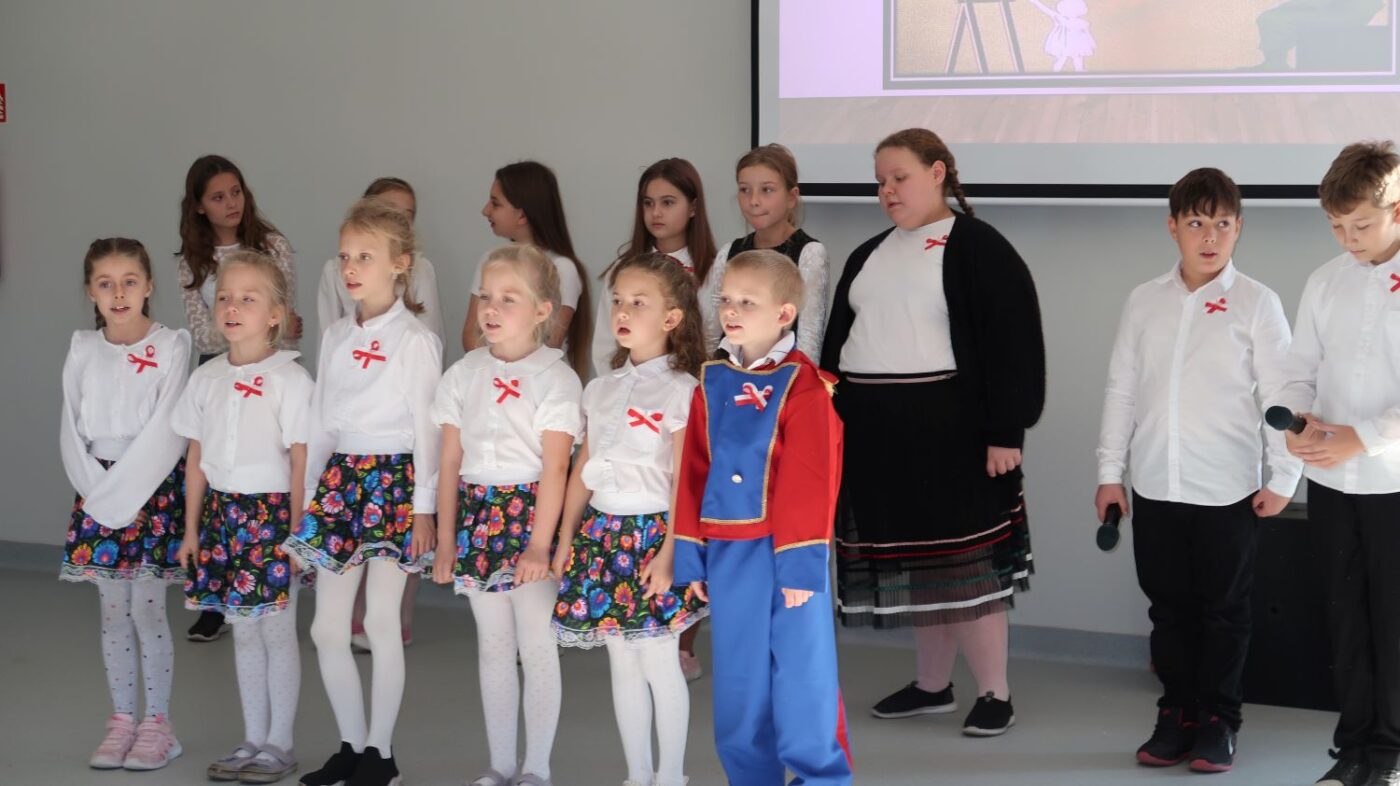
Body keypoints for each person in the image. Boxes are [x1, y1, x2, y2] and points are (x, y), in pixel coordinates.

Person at [821, 128, 1045, 737]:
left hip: (953, 434)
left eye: (900, 177)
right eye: (880, 182)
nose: (887, 191)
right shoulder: (868, 254)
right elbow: (835, 352)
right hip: (875, 436)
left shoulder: (977, 246)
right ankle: (932, 686)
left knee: (966, 565)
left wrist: (1006, 432)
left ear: (938, 172)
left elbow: (1013, 343)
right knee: (918, 568)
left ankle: (995, 692)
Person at [1096, 168, 1301, 773]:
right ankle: (1177, 714)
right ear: (1172, 228)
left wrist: (1283, 478)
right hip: (1155, 483)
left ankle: (1219, 721)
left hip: (1227, 489)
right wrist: (1110, 471)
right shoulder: (1144, 301)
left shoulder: (1258, 303)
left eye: (1222, 224)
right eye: (1195, 223)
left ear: (1239, 229)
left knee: (1225, 612)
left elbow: (1282, 396)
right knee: (1169, 610)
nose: (1209, 237)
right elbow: (1121, 391)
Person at [675, 249, 853, 785]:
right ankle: (751, 777)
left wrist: (800, 568)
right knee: (739, 677)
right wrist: (692, 556)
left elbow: (810, 481)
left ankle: (820, 776)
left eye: (747, 302)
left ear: (784, 313)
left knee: (803, 675)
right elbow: (693, 471)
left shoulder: (806, 386)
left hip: (788, 551)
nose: (731, 310)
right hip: (729, 553)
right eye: (725, 299)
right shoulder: (711, 380)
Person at [284, 198, 443, 786]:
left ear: (400, 263)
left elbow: (427, 430)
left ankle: (382, 754)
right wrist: (309, 498)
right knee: (327, 628)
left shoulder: (415, 339)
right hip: (341, 482)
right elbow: (322, 421)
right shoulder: (334, 336)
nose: (350, 268)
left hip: (394, 482)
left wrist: (424, 508)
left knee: (379, 620)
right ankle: (350, 746)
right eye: (345, 256)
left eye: (365, 257)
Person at [553, 253, 708, 786]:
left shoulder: (683, 389)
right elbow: (584, 471)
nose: (622, 311)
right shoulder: (600, 388)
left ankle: (671, 776)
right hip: (602, 534)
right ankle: (636, 775)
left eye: (639, 303)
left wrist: (671, 552)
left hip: (653, 534)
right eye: (618, 300)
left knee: (659, 660)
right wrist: (566, 539)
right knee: (621, 661)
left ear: (671, 318)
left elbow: (685, 481)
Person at [1274, 140, 1400, 786]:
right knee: (1344, 616)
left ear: (1397, 209)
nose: (1348, 239)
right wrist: (1296, 422)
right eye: (1335, 226)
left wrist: (1365, 437)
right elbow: (1299, 369)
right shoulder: (1324, 281)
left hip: (1393, 481)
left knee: (1393, 621)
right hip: (1330, 480)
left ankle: (1390, 755)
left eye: (1361, 225)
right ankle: (1352, 750)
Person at [432, 244, 582, 786]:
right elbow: (451, 461)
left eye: (508, 298)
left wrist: (541, 544)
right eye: (485, 296)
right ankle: (499, 764)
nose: (491, 308)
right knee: (493, 646)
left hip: (531, 515)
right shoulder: (463, 373)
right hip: (477, 515)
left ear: (543, 310)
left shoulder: (556, 379)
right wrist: (445, 539)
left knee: (536, 645)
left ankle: (536, 767)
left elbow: (557, 467)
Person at [173, 251, 313, 783]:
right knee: (243, 631)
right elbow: (195, 458)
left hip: (271, 519)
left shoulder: (290, 379)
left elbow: (301, 459)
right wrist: (191, 529)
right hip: (223, 517)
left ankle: (281, 742)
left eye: (247, 299)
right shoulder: (206, 378)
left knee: (275, 632)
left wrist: (297, 532)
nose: (232, 307)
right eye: (225, 298)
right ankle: (253, 736)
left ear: (275, 314)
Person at [60, 238, 191, 771]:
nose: (119, 293)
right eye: (106, 283)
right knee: (112, 613)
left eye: (129, 281)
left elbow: (167, 433)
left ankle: (158, 724)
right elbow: (71, 430)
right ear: (91, 291)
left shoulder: (172, 346)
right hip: (97, 490)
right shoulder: (82, 348)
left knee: (148, 611)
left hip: (150, 489)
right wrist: (102, 498)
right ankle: (121, 720)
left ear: (149, 285)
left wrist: (127, 496)